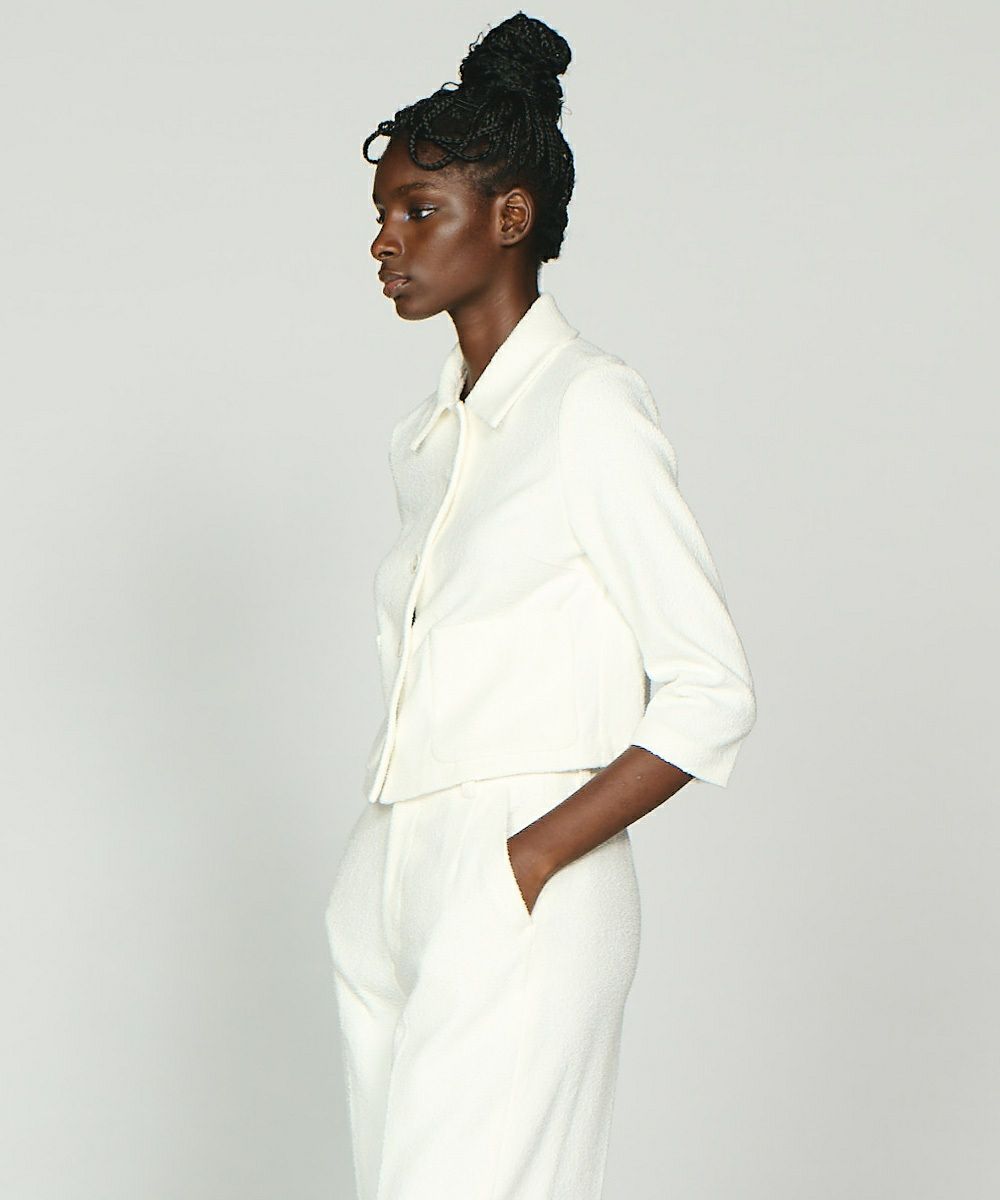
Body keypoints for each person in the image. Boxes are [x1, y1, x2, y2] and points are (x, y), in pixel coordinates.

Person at [325, 12, 757, 1199]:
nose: (385, 241)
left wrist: (526, 860)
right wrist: (382, 872)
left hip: (519, 863)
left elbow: (710, 691)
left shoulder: (589, 407)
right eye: (381, 213)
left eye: (419, 210)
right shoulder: (427, 439)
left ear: (509, 218)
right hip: (390, 861)